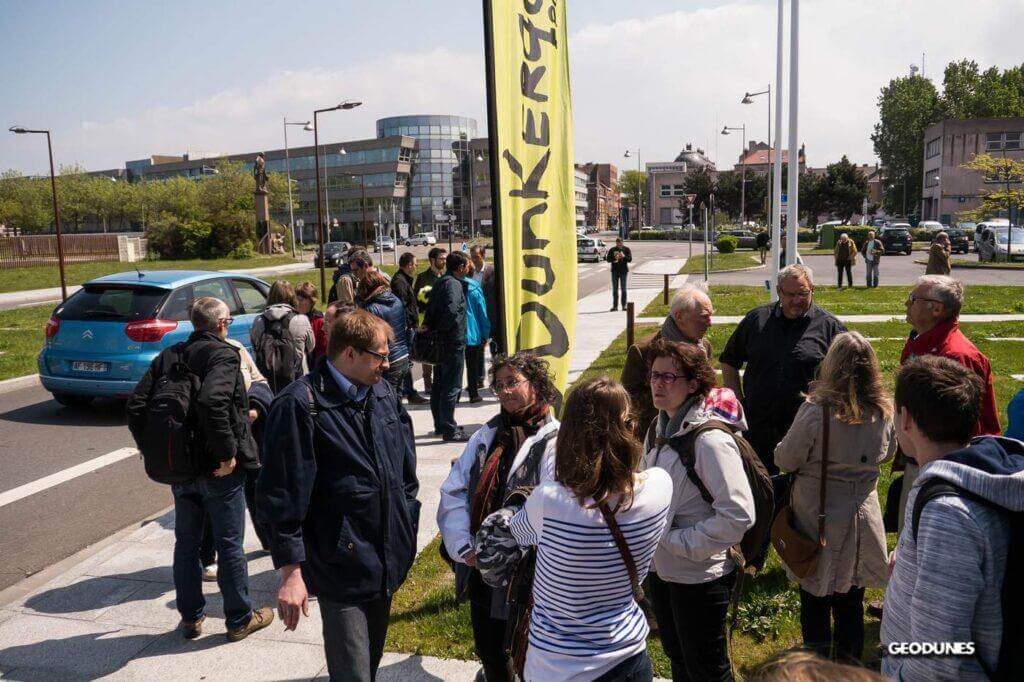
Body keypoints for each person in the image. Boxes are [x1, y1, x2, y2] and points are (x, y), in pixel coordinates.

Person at [257, 309, 420, 682]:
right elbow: (282, 494)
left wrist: (406, 521)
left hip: (386, 559)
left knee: (370, 664)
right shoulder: (300, 404)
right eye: (380, 355)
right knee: (353, 675)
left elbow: (405, 470)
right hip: (340, 565)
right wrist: (291, 572)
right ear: (349, 353)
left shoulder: (383, 392)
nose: (388, 362)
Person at [506, 376, 672, 681]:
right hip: (628, 657)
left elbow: (519, 534)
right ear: (630, 428)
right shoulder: (660, 487)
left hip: (556, 666)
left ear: (568, 434)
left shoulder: (550, 499)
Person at [128, 297, 273, 641]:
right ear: (222, 324)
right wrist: (227, 454)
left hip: (180, 468)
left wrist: (152, 451)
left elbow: (136, 406)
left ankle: (191, 618)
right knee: (229, 544)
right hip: (216, 469)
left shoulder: (170, 355)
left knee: (187, 543)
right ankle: (239, 618)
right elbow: (212, 401)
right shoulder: (224, 354)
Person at [881, 355, 1024, 681]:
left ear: (905, 420)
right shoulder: (980, 474)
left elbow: (940, 653)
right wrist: (907, 571)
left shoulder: (946, 513)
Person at [437, 352, 561, 682]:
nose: (504, 392)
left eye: (512, 383)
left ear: (536, 385)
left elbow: (557, 508)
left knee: (531, 651)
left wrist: (512, 549)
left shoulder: (556, 441)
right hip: (483, 564)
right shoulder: (486, 436)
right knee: (491, 649)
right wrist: (465, 548)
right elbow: (454, 491)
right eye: (499, 385)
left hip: (533, 571)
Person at [774, 331, 896, 662]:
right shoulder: (884, 411)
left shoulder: (816, 411)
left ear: (832, 365)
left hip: (820, 516)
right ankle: (848, 666)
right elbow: (887, 455)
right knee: (851, 602)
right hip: (862, 516)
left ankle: (816, 668)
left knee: (814, 602)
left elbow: (786, 459)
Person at [643, 339, 755, 682]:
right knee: (679, 658)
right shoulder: (658, 427)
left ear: (693, 384)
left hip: (699, 577)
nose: (658, 384)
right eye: (654, 375)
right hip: (663, 573)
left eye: (668, 377)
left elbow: (738, 514)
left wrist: (678, 543)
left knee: (707, 669)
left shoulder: (709, 440)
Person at [895, 275, 1002, 529]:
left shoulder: (956, 356)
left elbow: (967, 426)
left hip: (945, 471)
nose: (906, 304)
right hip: (920, 461)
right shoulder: (920, 342)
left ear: (937, 309)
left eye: (913, 299)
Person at [720, 264, 847, 473]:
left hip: (806, 429)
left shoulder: (830, 328)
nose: (797, 300)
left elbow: (847, 374)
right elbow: (729, 361)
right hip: (759, 426)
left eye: (803, 293)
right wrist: (738, 403)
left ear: (812, 289)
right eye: (790, 294)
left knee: (802, 494)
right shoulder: (756, 320)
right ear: (778, 291)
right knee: (761, 488)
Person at [621, 283, 714, 439]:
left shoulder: (704, 348)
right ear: (679, 316)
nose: (710, 322)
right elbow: (628, 406)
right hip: (656, 439)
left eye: (711, 315)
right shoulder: (643, 351)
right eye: (704, 316)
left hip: (698, 434)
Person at [422, 251, 470, 442]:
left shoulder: (442, 281)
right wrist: (443, 331)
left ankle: (442, 424)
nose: (468, 268)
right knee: (451, 386)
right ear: (460, 268)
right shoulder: (453, 284)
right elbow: (450, 311)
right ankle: (449, 428)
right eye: (466, 265)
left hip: (444, 342)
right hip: (452, 342)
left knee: (440, 385)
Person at [249, 280, 315, 393]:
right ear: (291, 297)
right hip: (297, 382)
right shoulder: (301, 319)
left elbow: (255, 346)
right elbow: (311, 346)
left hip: (268, 383)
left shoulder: (259, 321)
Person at [357, 270, 410, 394]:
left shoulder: (371, 308)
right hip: (403, 355)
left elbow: (368, 338)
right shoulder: (396, 300)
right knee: (396, 399)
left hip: (387, 360)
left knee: (385, 401)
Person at [391, 252, 428, 404]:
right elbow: (403, 307)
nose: (416, 267)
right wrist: (412, 326)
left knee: (407, 361)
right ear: (409, 265)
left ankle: (407, 391)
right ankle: (408, 392)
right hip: (405, 328)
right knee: (405, 361)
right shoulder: (400, 282)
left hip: (409, 327)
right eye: (414, 264)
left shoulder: (404, 280)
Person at [415, 246, 448, 393]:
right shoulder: (423, 278)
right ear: (432, 260)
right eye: (441, 259)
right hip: (427, 322)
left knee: (442, 353)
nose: (444, 261)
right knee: (428, 353)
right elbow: (415, 301)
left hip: (443, 322)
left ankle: (441, 382)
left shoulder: (447, 276)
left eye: (445, 258)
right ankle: (428, 384)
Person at [464, 260, 491, 404]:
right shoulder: (475, 288)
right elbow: (482, 313)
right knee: (472, 365)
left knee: (455, 367)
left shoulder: (447, 284)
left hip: (454, 334)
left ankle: (454, 395)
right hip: (472, 333)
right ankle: (474, 394)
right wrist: (485, 334)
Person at [470, 245, 498, 378]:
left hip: (490, 316)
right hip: (475, 317)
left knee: (494, 348)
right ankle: (479, 378)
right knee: (477, 349)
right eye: (472, 257)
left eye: (476, 257)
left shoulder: (492, 271)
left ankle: (497, 376)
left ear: (483, 255)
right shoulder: (469, 272)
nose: (474, 260)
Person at [295, 282, 328, 362]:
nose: (297, 303)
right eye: (296, 299)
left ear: (311, 301)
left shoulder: (319, 321)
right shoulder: (292, 318)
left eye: (301, 300)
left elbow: (323, 349)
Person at [605, 237, 633, 312]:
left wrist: (624, 257)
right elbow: (608, 259)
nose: (619, 244)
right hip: (615, 271)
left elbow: (630, 259)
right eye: (617, 243)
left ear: (622, 243)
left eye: (620, 243)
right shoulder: (612, 250)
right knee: (615, 290)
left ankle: (624, 306)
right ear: (616, 243)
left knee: (623, 289)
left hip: (623, 271)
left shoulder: (626, 249)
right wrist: (614, 260)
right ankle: (615, 306)